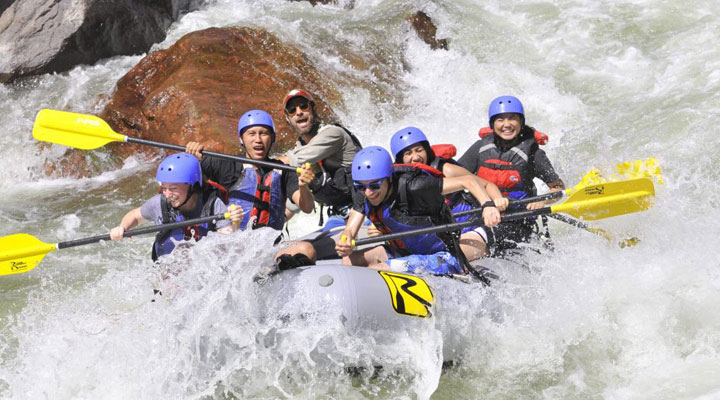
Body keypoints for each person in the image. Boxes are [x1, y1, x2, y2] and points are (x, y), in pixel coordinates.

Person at [334, 146, 502, 275]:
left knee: (380, 270)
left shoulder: (415, 186)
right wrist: (345, 239)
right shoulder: (363, 188)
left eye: (375, 185)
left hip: (450, 246)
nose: (368, 192)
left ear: (389, 178)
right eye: (362, 187)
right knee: (348, 261)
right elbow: (350, 229)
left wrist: (488, 205)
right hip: (410, 248)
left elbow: (468, 181)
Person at [458, 95, 565, 253]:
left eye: (512, 118)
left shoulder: (533, 153)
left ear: (520, 122)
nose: (506, 125)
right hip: (479, 213)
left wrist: (542, 201)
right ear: (492, 124)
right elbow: (455, 177)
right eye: (500, 120)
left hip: (515, 220)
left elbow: (558, 188)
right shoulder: (481, 147)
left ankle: (459, 264)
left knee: (471, 240)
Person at [186, 110, 315, 238]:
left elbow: (307, 207)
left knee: (306, 250)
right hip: (231, 242)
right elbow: (183, 177)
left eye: (263, 133)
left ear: (273, 138)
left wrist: (303, 186)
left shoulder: (284, 171)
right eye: (251, 134)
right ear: (241, 139)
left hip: (268, 246)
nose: (258, 139)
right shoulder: (227, 165)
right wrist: (192, 155)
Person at [389, 126, 509, 259]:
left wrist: (494, 201)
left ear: (427, 151)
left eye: (419, 150)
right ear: (400, 159)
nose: (416, 157)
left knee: (448, 259)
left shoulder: (447, 170)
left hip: (469, 226)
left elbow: (486, 184)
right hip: (443, 232)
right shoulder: (400, 183)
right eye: (408, 154)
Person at [110, 153, 244, 260]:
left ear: (193, 185)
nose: (167, 194)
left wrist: (235, 223)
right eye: (164, 188)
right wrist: (123, 227)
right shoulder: (159, 203)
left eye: (173, 188)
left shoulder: (213, 205)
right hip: (167, 276)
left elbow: (227, 244)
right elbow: (134, 215)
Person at [276, 89, 362, 230]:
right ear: (288, 118)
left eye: (303, 106)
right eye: (292, 110)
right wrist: (273, 222)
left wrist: (250, 165)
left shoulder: (333, 133)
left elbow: (288, 161)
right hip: (339, 215)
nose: (298, 112)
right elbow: (294, 203)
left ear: (313, 109)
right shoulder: (300, 148)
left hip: (365, 209)